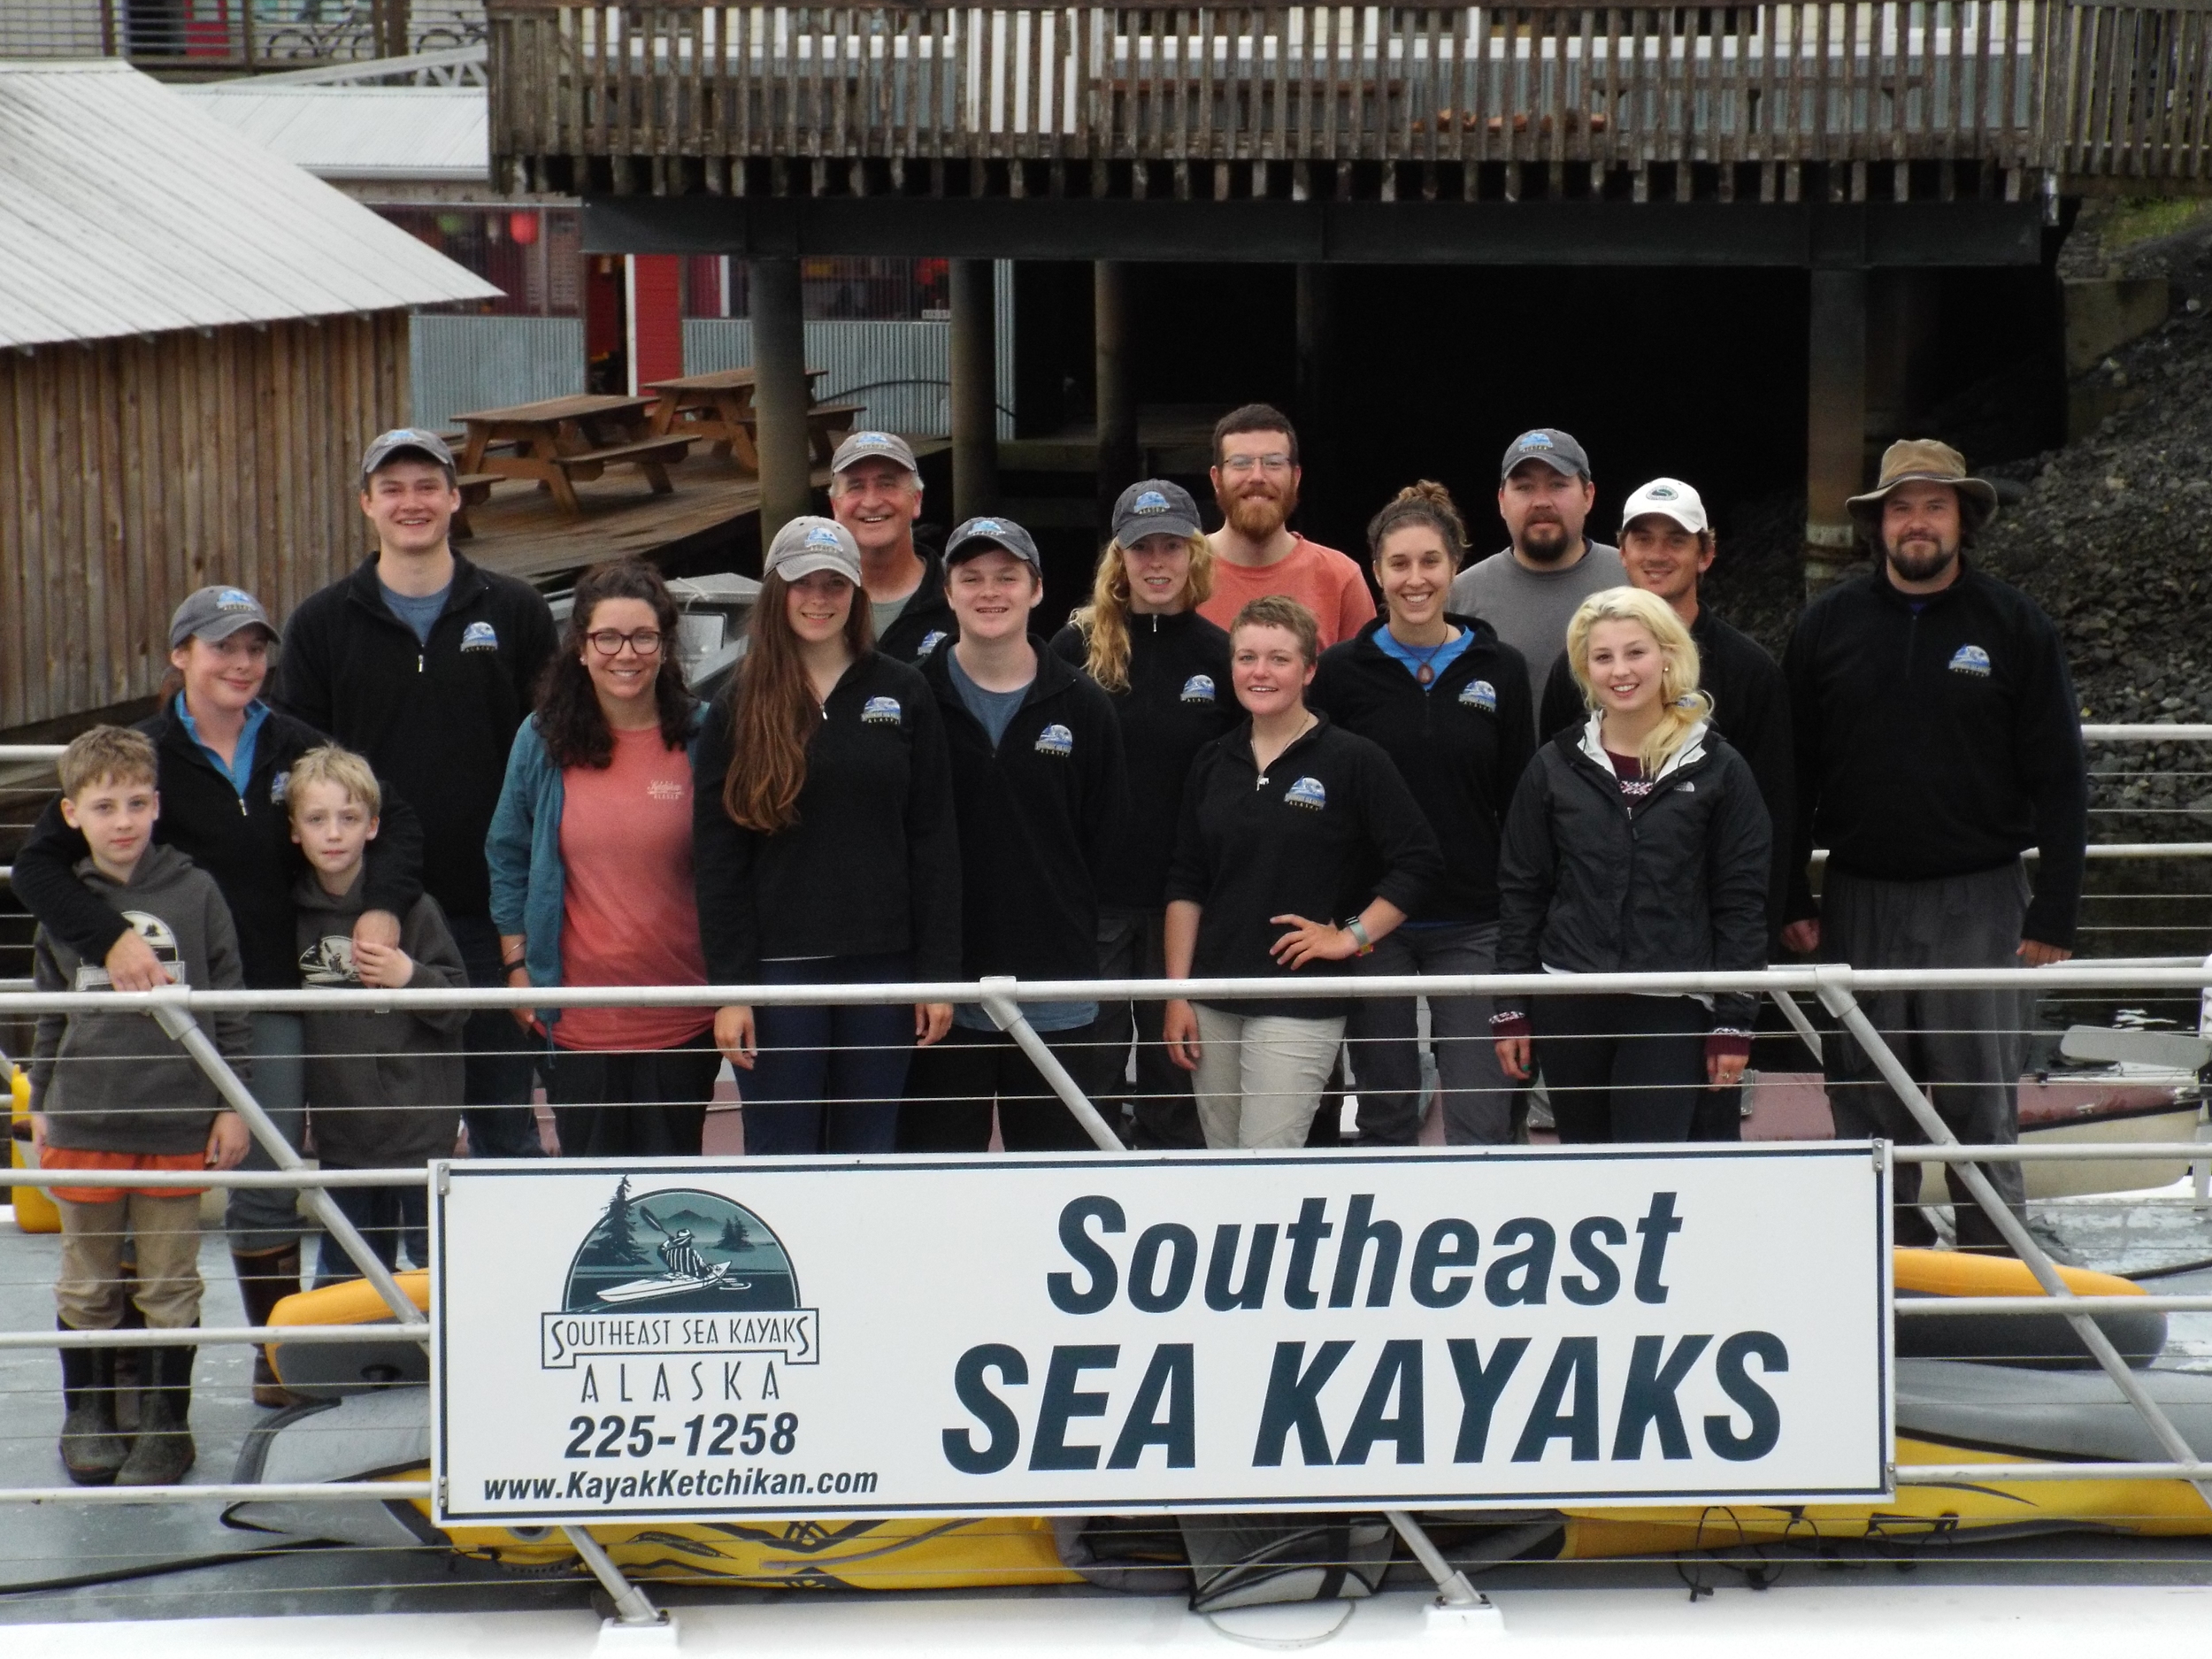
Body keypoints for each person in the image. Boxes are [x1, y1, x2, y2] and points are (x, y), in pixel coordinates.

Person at [11, 585, 424, 1408]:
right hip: (162, 1005)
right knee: (134, 1174)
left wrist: (383, 899)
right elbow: (37, 866)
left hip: (271, 991)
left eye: (254, 647)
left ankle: (277, 1363)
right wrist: (110, 938)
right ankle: (124, 1365)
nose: (242, 663)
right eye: (221, 647)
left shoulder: (296, 744)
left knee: (266, 1178)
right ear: (181, 655)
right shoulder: (147, 755)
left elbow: (397, 817)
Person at [1781, 439, 2087, 1252]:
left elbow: (2061, 775)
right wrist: (1789, 895)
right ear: (1877, 524)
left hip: (1979, 896)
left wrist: (2055, 908)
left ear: (1963, 519)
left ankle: (1999, 1259)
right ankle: (1888, 1256)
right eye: (1901, 507)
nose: (1917, 522)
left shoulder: (2015, 625)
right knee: (1865, 1090)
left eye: (1934, 506)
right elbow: (1792, 775)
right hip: (1858, 894)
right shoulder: (1825, 628)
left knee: (1978, 1091)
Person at [276, 428, 559, 1162]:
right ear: (367, 503)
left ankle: (505, 1277)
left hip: (492, 914)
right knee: (380, 1132)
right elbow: (306, 773)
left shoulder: (519, 611)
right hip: (371, 922)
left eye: (428, 486)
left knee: (504, 1121)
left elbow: (552, 758)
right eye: (393, 488)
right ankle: (384, 1277)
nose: (413, 503)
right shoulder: (319, 625)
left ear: (455, 499)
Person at [1535, 478, 1796, 1139]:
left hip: (1695, 975)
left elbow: (1771, 826)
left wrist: (1740, 999)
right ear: (1619, 551)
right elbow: (1544, 837)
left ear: (1706, 552)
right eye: (1643, 537)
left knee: (1702, 1141)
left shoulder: (1751, 671)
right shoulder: (1574, 684)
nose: (1658, 553)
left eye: (1675, 539)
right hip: (1583, 974)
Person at [694, 517, 963, 1154]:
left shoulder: (903, 689)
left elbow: (934, 839)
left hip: (884, 969)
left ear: (856, 593)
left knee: (870, 1144)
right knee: (780, 1149)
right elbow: (717, 855)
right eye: (802, 584)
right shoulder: (737, 702)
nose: (819, 598)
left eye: (834, 584)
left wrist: (937, 974)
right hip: (778, 975)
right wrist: (731, 991)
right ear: (776, 593)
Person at [28, 726, 250, 1486]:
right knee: (88, 1279)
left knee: (168, 1280)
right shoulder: (66, 902)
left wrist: (232, 1104)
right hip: (85, 1116)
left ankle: (166, 1422)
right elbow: (49, 1010)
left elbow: (231, 1006)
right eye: (103, 806)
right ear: (72, 814)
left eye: (135, 803)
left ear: (157, 805)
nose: (122, 820)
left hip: (176, 1119)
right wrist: (41, 1097)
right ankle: (86, 1413)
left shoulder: (196, 891)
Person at [1164, 595, 1443, 1149]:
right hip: (1212, 997)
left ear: (1310, 668)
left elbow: (1419, 861)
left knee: (1266, 1163)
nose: (1259, 672)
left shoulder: (1352, 760)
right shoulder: (1213, 760)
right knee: (1220, 1163)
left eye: (1278, 659)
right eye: (1246, 658)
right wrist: (1177, 994)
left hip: (1300, 1000)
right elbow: (1186, 882)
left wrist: (1350, 937)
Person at [1493, 588, 1770, 1142]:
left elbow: (1741, 903)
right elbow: (1522, 892)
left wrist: (1735, 1020)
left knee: (1654, 1166)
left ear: (1668, 655)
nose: (1620, 670)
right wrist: (1510, 1006)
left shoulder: (1720, 768)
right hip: (1568, 998)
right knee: (1589, 1170)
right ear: (1585, 669)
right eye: (1603, 657)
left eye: (1635, 652)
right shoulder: (1554, 765)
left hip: (1672, 1000)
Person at [1312, 482, 1536, 1146]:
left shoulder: (1503, 668)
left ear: (1455, 566)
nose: (1416, 579)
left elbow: (1521, 801)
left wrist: (1523, 919)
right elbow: (1324, 801)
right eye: (1399, 564)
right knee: (1384, 1111)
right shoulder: (1340, 673)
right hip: (1372, 924)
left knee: (1481, 1115)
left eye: (1431, 561)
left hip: (1473, 920)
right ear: (1376, 571)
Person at [901, 516, 1130, 1152]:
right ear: (948, 593)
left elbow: (1103, 842)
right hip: (942, 997)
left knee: (1056, 1182)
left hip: (1055, 989)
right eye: (970, 578)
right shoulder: (914, 698)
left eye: (1007, 577)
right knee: (941, 1182)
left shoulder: (1085, 705)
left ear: (1037, 590)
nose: (989, 591)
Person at [487, 559, 715, 1157]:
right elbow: (507, 852)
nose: (626, 653)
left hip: (683, 1013)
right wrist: (517, 968)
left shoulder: (703, 733)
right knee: (596, 1199)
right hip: (578, 1021)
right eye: (607, 637)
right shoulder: (540, 739)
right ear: (582, 649)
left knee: (670, 1193)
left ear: (665, 647)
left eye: (644, 637)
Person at [1050, 480, 1238, 1149]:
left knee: (1175, 1067)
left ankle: (1170, 1202)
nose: (1156, 562)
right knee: (1091, 1063)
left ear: (1194, 554)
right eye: (1141, 549)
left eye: (1171, 547)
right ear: (1119, 559)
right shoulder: (1075, 649)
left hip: (1184, 902)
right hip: (1095, 898)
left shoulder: (1223, 657)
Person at [288, 745, 467, 1285]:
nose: (334, 833)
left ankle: (435, 1368)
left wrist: (408, 977)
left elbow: (460, 1006)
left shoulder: (415, 910)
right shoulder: (289, 914)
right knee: (346, 1272)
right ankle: (358, 1370)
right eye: (317, 820)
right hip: (341, 1135)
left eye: (348, 818)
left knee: (433, 1270)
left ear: (373, 826)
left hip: (420, 1134)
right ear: (295, 831)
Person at [1448, 428, 1624, 718]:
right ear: (1502, 501)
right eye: (1525, 487)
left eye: (1557, 485)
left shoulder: (1633, 579)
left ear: (1588, 496)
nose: (1541, 501)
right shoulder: (1459, 596)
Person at [1196, 403, 1376, 650]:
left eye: (1274, 463)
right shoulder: (1183, 573)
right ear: (1216, 479)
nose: (1257, 476)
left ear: (1296, 477)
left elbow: (1365, 684)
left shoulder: (1340, 578)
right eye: (1241, 462)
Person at [827, 429, 958, 664]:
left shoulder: (961, 598)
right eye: (856, 487)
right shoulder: (806, 603)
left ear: (917, 500)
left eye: (887, 485)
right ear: (835, 506)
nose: (872, 502)